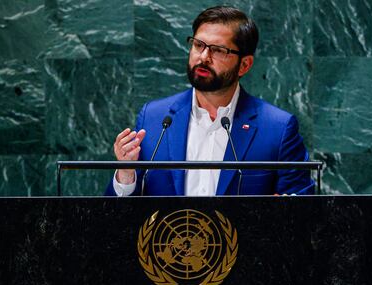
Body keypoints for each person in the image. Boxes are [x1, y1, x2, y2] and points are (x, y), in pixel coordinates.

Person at [105, 6, 314, 196]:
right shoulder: (155, 118)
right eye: (198, 45)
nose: (204, 56)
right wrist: (126, 172)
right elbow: (121, 214)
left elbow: (302, 206)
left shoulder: (277, 128)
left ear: (244, 65)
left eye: (218, 50)